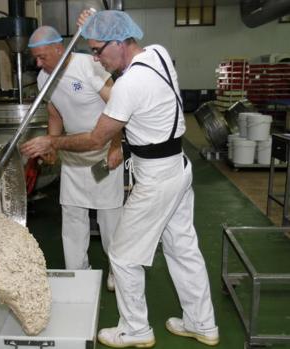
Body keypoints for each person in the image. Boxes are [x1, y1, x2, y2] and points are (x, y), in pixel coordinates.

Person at [21, 11, 219, 349]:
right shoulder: (156, 53)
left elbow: (96, 139)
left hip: (156, 177)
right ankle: (203, 324)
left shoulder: (128, 85)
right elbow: (115, 30)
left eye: (98, 49)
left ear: (119, 42)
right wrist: (98, 19)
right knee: (182, 247)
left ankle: (136, 330)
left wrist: (52, 142)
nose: (95, 58)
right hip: (178, 167)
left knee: (124, 255)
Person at [28, 26, 124, 291]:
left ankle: (118, 271)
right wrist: (52, 146)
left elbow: (117, 106)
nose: (38, 63)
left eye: (42, 56)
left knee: (109, 217)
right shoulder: (43, 78)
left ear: (60, 49)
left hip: (103, 155)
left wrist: (116, 145)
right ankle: (77, 272)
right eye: (35, 58)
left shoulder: (89, 67)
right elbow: (55, 113)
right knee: (72, 217)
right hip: (73, 155)